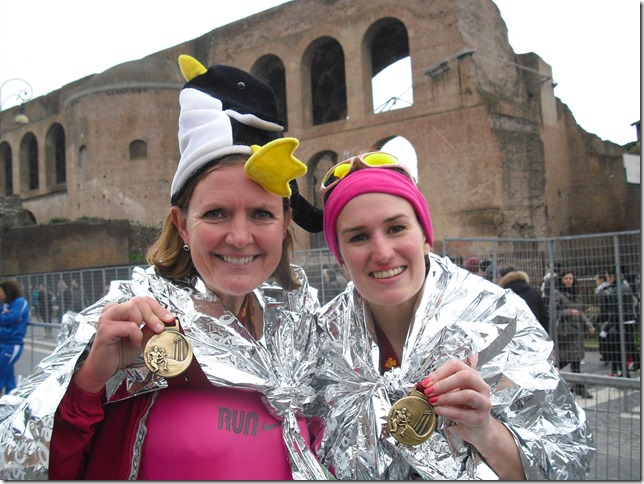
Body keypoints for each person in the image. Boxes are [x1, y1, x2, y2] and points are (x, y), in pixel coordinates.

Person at [0, 55, 328, 480]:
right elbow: (33, 465)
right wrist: (87, 384)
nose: (241, 237)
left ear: (284, 225)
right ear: (182, 224)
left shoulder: (305, 329)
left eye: (262, 215)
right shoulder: (134, 323)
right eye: (216, 214)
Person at [311, 152, 595, 479]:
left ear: (425, 237)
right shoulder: (322, 337)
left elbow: (566, 465)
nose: (383, 252)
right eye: (358, 237)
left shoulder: (500, 319)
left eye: (396, 228)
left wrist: (483, 430)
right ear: (340, 259)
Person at [545, 270, 595, 398]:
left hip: (576, 331)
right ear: (561, 280)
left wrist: (588, 325)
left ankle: (579, 387)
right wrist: (569, 312)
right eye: (566, 278)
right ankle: (548, 379)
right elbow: (553, 311)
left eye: (571, 278)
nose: (569, 280)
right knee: (565, 360)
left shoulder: (574, 293)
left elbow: (580, 311)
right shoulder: (557, 293)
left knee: (576, 361)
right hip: (566, 333)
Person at [599, 267, 639, 376]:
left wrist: (606, 329)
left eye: (607, 277)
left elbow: (615, 312)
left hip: (621, 323)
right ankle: (625, 371)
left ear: (612, 277)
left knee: (619, 348)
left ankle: (625, 372)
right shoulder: (626, 287)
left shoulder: (615, 291)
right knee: (626, 345)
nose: (607, 279)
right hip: (629, 320)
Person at [497, 265, 549, 334]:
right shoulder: (533, 292)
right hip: (533, 333)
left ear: (502, 278)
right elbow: (544, 317)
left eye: (498, 277)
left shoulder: (503, 295)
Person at [0, 280, 29, 396]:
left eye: (1, 291)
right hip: (3, 342)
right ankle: (11, 398)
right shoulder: (5, 304)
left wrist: (5, 317)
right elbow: (7, 319)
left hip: (12, 344)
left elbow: (10, 318)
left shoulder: (20, 302)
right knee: (8, 374)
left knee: (2, 372)